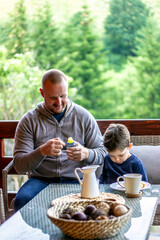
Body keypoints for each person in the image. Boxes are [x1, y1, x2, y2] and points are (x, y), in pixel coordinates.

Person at [13, 69, 107, 211]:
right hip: (41, 180)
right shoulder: (29, 121)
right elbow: (19, 165)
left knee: (92, 207)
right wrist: (42, 151)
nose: (59, 102)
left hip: (77, 180)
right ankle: (36, 233)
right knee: (22, 201)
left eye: (63, 96)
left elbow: (103, 153)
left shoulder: (84, 117)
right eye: (52, 98)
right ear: (42, 93)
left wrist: (86, 153)